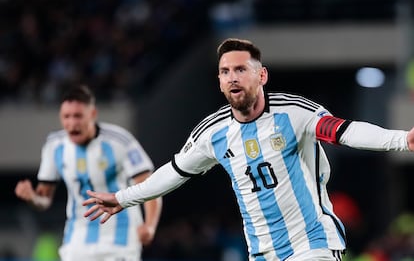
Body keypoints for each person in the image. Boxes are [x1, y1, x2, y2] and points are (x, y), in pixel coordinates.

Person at [83, 38, 414, 261]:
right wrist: (125, 197)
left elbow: (343, 130)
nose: (233, 77)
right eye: (225, 72)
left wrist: (401, 139)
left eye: (241, 69)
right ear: (219, 81)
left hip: (313, 244)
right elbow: (175, 171)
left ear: (262, 75)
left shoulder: (293, 113)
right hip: (264, 252)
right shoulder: (213, 133)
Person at [15, 84, 162, 261]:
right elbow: (44, 200)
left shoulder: (120, 141)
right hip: (78, 236)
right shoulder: (54, 145)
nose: (72, 123)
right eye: (66, 117)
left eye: (78, 116)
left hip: (121, 235)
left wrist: (150, 225)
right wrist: (32, 197)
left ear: (92, 114)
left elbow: (150, 187)